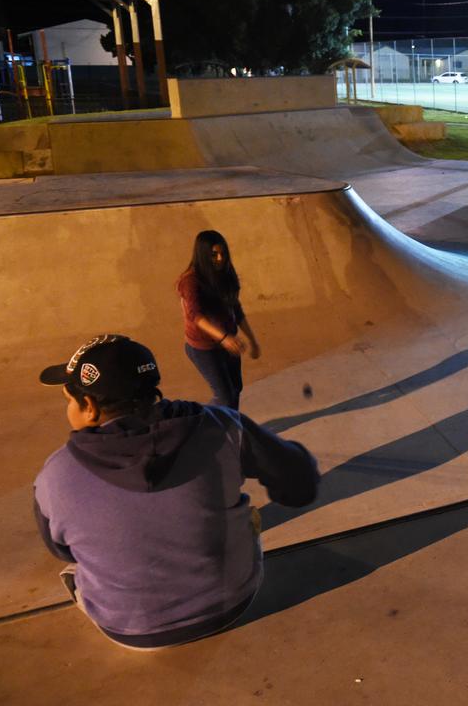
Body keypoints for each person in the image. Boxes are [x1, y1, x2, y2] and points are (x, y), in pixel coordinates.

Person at [34, 334, 319, 649]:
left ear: (87, 406)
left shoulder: (55, 475)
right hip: (234, 602)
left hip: (130, 631)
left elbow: (61, 549)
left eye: (69, 400)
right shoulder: (221, 427)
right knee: (244, 515)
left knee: (76, 564)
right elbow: (300, 482)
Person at [177, 230, 259, 410]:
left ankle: (231, 428)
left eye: (223, 253)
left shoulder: (225, 273)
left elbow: (236, 309)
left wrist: (253, 341)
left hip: (228, 344)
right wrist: (223, 338)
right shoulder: (190, 281)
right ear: (203, 255)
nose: (220, 259)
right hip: (203, 348)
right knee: (225, 396)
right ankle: (204, 422)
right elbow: (196, 316)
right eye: (214, 255)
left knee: (235, 389)